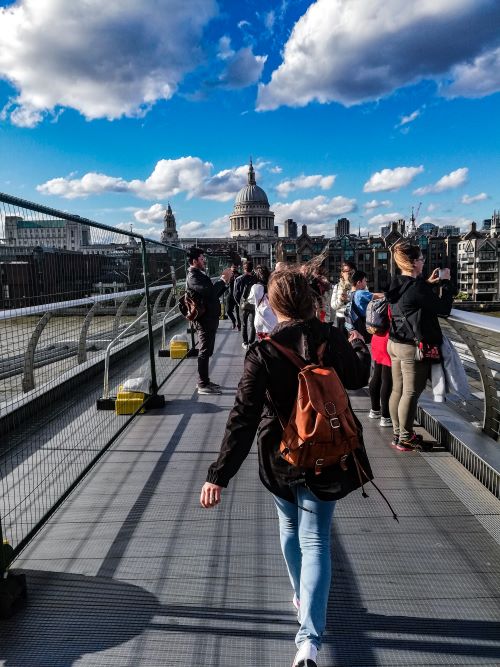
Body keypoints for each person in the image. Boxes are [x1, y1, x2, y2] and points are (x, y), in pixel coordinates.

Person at [200, 267, 371, 667]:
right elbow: (360, 376)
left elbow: (242, 419)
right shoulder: (329, 338)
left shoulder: (262, 352)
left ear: (273, 306)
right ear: (312, 301)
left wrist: (218, 475)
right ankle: (308, 641)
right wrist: (358, 342)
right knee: (317, 541)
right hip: (327, 455)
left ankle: (300, 597)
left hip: (280, 456)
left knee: (290, 530)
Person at [386, 243, 454, 451]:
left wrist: (429, 284)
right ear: (414, 263)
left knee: (397, 390)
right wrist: (447, 285)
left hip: (394, 343)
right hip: (411, 347)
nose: (424, 262)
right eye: (422, 259)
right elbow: (443, 309)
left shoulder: (396, 283)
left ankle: (398, 433)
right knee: (410, 393)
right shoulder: (417, 287)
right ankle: (406, 437)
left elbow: (412, 297)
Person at [186, 247, 228, 395]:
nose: (204, 261)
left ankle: (205, 380)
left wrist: (225, 283)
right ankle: (202, 384)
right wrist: (223, 280)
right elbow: (210, 293)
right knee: (204, 350)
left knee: (207, 350)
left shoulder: (199, 274)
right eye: (202, 258)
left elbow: (212, 295)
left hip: (209, 318)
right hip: (204, 320)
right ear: (195, 261)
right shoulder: (193, 276)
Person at [344, 270, 384, 343]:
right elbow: (377, 296)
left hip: (355, 326)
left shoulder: (350, 294)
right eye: (365, 281)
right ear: (359, 282)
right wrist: (389, 294)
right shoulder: (360, 293)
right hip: (364, 325)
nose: (366, 283)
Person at [368, 331, 393, 426]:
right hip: (388, 340)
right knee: (387, 379)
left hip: (376, 338)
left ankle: (374, 410)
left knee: (377, 374)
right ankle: (386, 417)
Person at [247, 265, 278, 340]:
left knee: (264, 345)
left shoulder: (256, 287)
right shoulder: (274, 285)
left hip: (261, 321)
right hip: (274, 320)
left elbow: (250, 300)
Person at [234, 261, 257, 349]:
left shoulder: (239, 279)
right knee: (252, 324)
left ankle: (245, 342)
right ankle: (251, 342)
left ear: (244, 269)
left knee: (243, 324)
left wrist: (239, 303)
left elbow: (235, 294)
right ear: (252, 268)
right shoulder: (256, 279)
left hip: (243, 304)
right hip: (253, 304)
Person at [330, 261, 356, 328]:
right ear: (342, 273)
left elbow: (365, 302)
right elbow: (333, 306)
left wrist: (349, 299)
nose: (349, 274)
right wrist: (341, 300)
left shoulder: (359, 285)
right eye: (347, 271)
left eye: (352, 271)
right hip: (341, 319)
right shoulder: (337, 286)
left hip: (355, 319)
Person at [225, 263, 241, 331]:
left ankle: (239, 325)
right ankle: (233, 321)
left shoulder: (240, 275)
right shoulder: (228, 275)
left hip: (237, 296)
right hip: (230, 295)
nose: (234, 268)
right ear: (230, 268)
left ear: (237, 268)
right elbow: (225, 283)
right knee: (228, 311)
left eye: (235, 267)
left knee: (238, 313)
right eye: (232, 267)